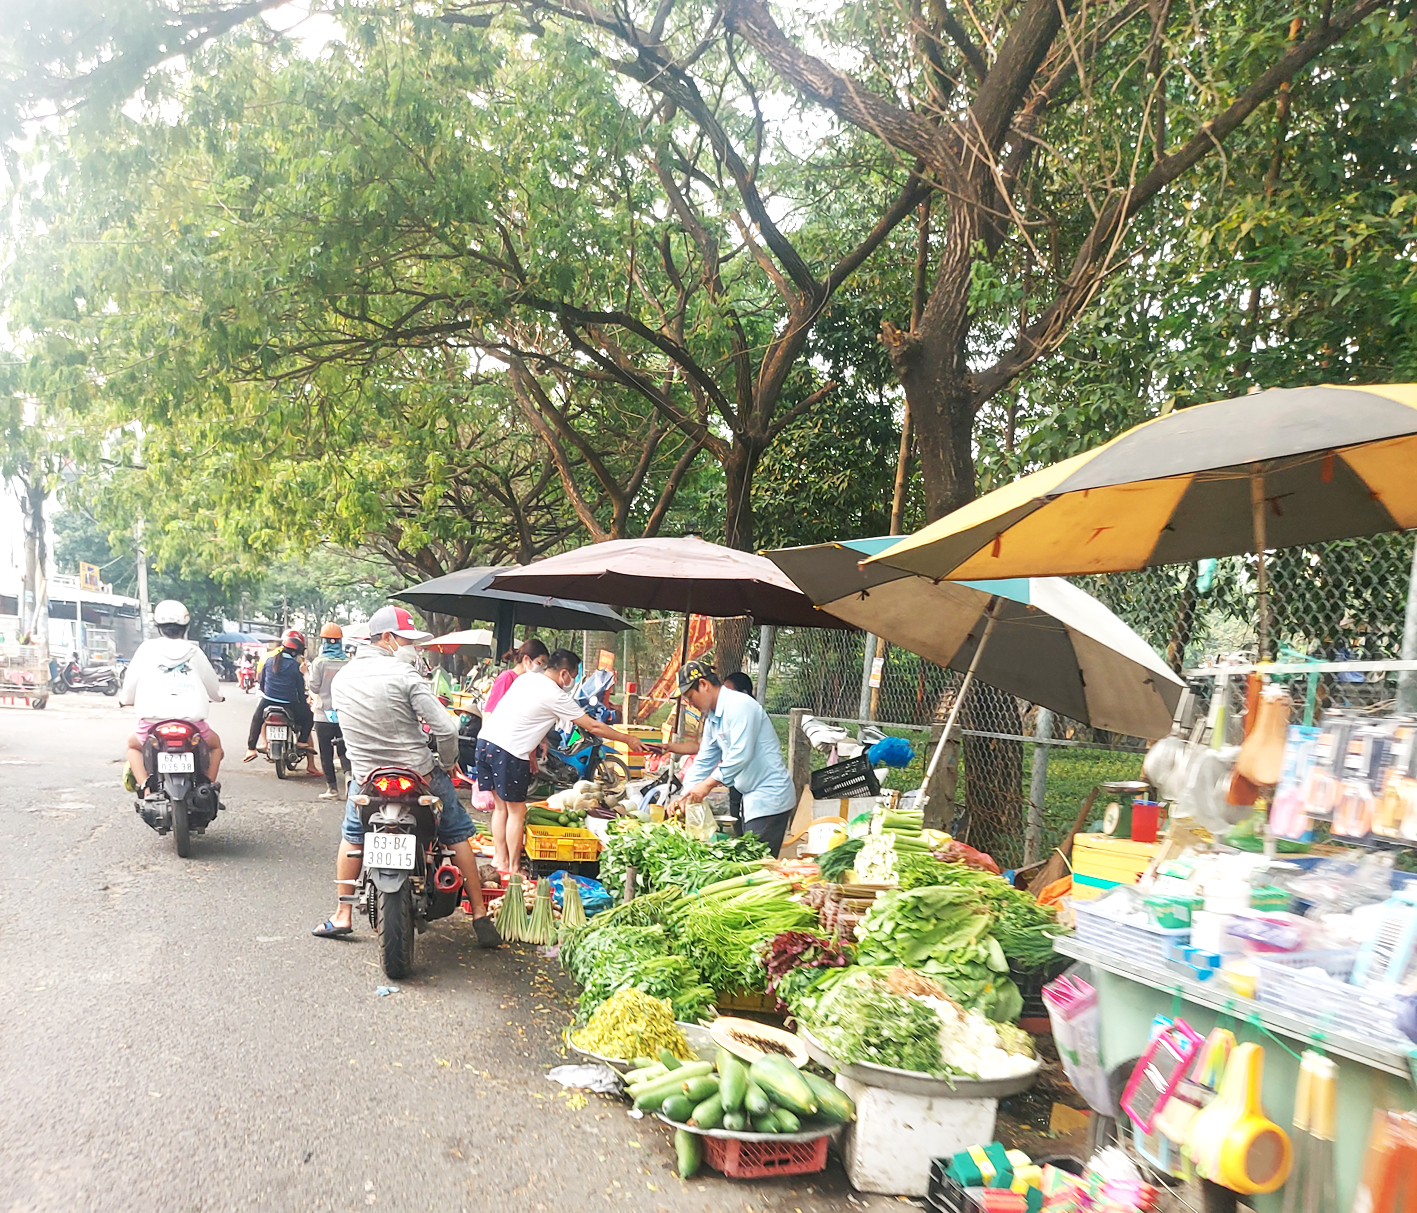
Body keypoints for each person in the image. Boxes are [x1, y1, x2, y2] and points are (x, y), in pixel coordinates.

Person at [311, 605, 500, 946]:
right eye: (405, 639)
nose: (409, 647)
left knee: (354, 834)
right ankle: (480, 915)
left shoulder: (342, 679)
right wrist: (445, 762)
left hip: (368, 777)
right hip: (418, 773)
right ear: (386, 638)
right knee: (456, 833)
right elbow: (446, 729)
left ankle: (342, 914)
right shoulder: (406, 676)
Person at [476, 648, 648, 875]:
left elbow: (520, 716)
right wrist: (627, 739)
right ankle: (514, 868)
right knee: (516, 812)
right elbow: (593, 726)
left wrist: (531, 752)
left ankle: (500, 860)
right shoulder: (555, 695)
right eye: (574, 676)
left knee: (501, 808)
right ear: (564, 674)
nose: (572, 681)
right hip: (508, 752)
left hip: (486, 742)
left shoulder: (527, 678)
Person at [664, 658, 796, 856]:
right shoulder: (713, 719)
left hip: (770, 798)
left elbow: (741, 755)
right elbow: (704, 761)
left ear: (704, 684)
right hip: (751, 799)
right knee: (750, 864)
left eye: (691, 697)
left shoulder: (741, 706)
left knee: (758, 868)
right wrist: (685, 796)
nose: (690, 703)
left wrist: (707, 785)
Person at [118, 600, 225, 791]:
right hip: (192, 725)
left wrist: (125, 700)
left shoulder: (146, 649)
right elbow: (213, 687)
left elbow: (130, 683)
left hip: (152, 724)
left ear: (158, 627)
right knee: (216, 747)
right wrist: (218, 697)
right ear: (185, 627)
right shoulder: (196, 652)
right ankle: (207, 788)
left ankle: (146, 789)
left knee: (133, 746)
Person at [244, 629, 319, 775]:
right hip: (289, 703)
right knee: (308, 717)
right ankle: (302, 741)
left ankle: (251, 749)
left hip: (268, 701)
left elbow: (262, 683)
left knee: (256, 720)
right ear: (297, 650)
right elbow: (299, 689)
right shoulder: (296, 666)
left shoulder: (269, 660)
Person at [307, 622, 351, 800]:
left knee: (326, 751)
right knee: (345, 749)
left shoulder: (318, 662)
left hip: (324, 713)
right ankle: (349, 778)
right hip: (345, 713)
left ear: (323, 641)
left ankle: (332, 789)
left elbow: (314, 688)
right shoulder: (349, 662)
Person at [482, 638, 549, 715]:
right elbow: (490, 711)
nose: (541, 667)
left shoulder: (529, 682)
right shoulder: (506, 678)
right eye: (540, 663)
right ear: (526, 659)